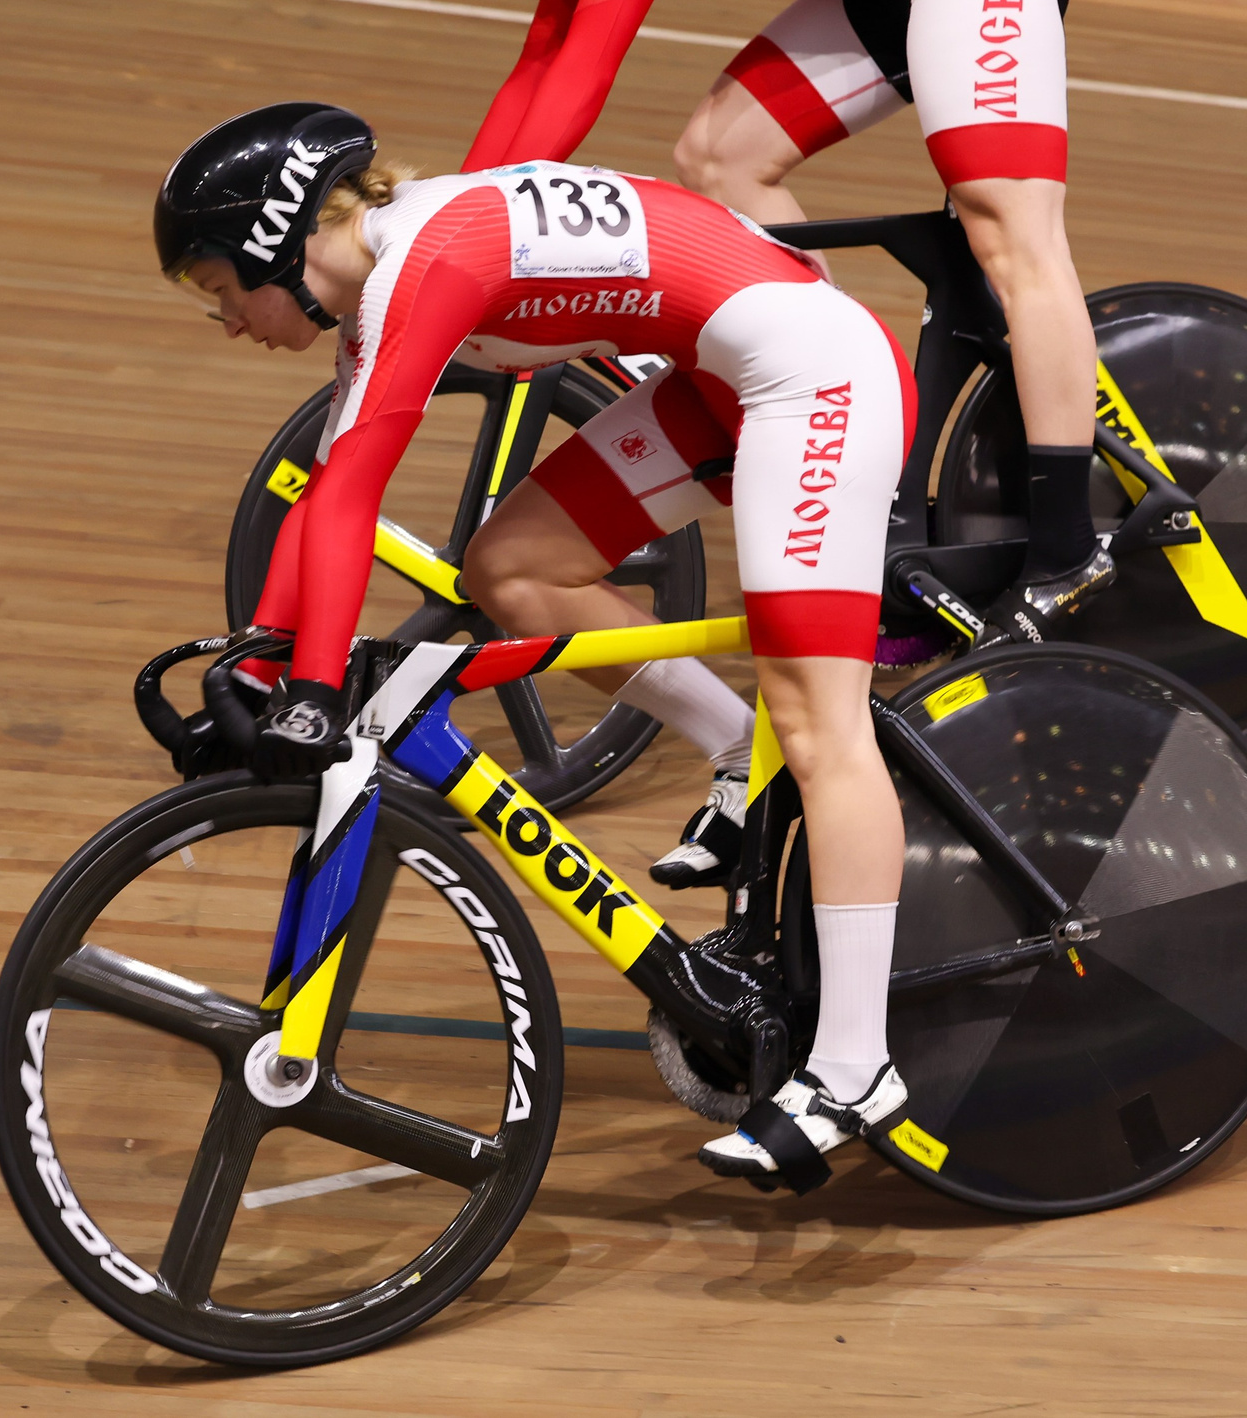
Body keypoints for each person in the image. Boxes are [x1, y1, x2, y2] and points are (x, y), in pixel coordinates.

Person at [157, 100, 915, 1186]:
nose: (221, 316)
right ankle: (731, 746)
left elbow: (355, 487)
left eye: (212, 284)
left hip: (812, 376)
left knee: (821, 720)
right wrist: (264, 658)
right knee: (509, 572)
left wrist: (310, 688)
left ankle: (854, 1066)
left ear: (271, 239)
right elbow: (334, 492)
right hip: (724, 375)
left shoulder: (425, 259)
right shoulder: (390, 271)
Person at [412, 0, 1111, 668]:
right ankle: (840, 407)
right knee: (719, 154)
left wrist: (469, 245)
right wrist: (441, 229)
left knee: (1008, 228)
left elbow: (582, 82)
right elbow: (533, 71)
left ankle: (1070, 549)